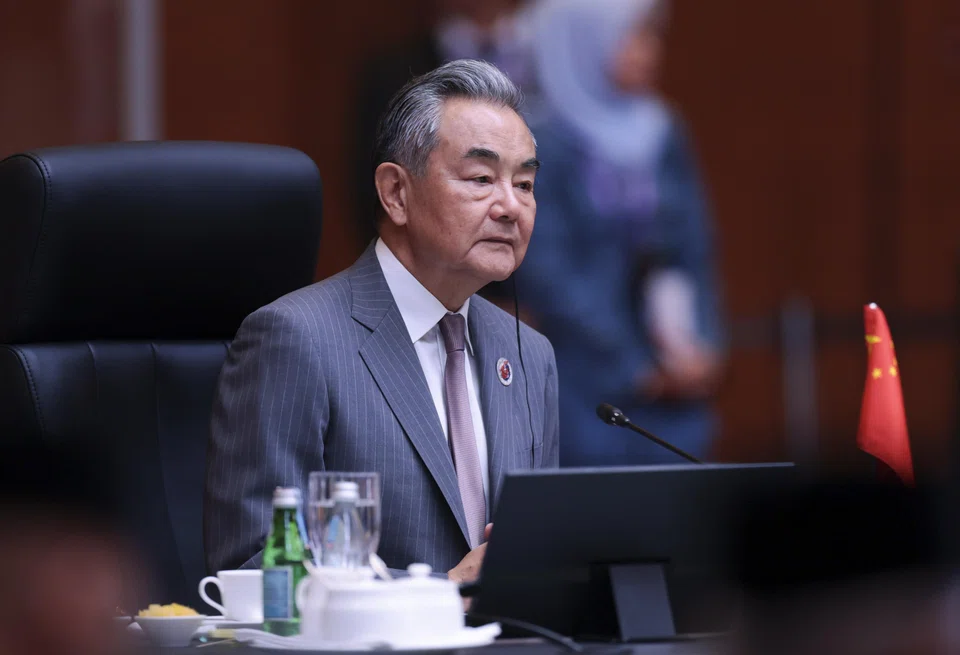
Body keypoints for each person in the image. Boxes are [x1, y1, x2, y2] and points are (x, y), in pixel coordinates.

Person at [205, 60, 558, 583]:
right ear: (395, 193)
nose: (511, 206)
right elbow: (256, 566)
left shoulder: (529, 354)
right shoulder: (297, 339)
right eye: (482, 179)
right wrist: (437, 593)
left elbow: (544, 550)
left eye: (525, 184)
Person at [514, 0, 725, 466]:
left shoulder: (664, 130)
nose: (649, 51)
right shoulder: (538, 140)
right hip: (585, 383)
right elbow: (549, 272)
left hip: (676, 384)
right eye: (632, 37)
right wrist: (634, 364)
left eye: (652, 36)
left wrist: (702, 346)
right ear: (583, 43)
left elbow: (695, 249)